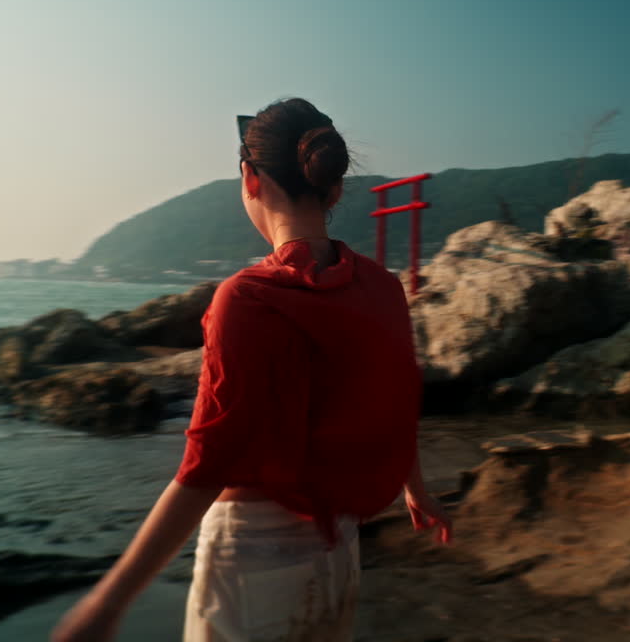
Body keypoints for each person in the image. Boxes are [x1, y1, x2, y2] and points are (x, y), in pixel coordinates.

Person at [52, 98, 452, 642]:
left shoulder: (249, 298)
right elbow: (395, 398)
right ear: (334, 189)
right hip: (338, 555)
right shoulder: (382, 288)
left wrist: (109, 600)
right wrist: (416, 490)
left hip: (253, 560)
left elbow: (207, 464)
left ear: (250, 178)